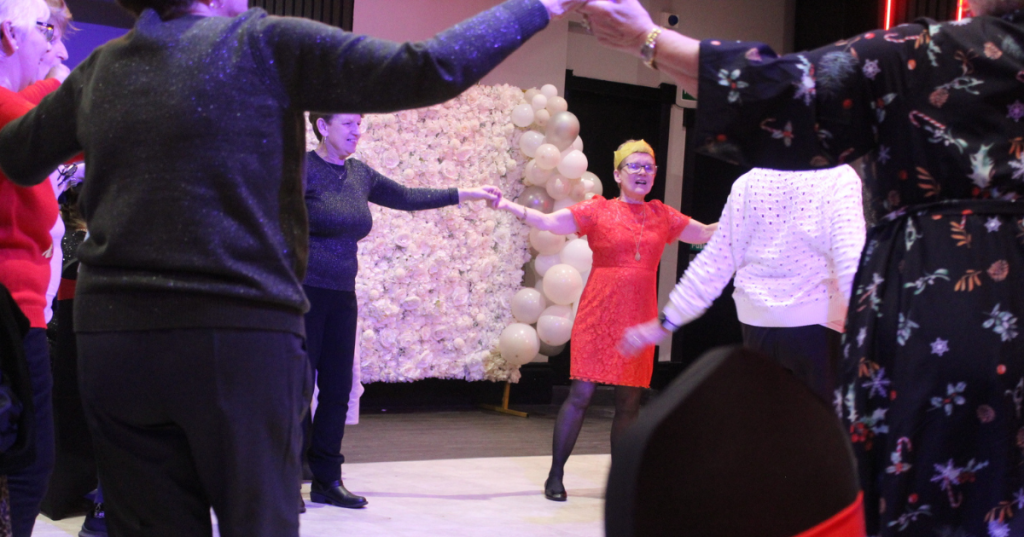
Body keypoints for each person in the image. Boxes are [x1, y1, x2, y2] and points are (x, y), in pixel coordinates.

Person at [0, 0, 584, 534]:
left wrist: (70, 94)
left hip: (115, 344)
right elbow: (426, 66)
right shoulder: (264, 43)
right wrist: (542, 5)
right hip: (236, 338)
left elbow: (20, 157)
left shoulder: (103, 68)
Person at [586, 0, 1024, 534]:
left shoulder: (918, 56)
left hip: (917, 305)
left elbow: (721, 255)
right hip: (825, 328)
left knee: (849, 469)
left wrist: (647, 40)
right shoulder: (836, 180)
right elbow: (848, 259)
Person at [493, 140, 716, 501]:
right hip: (598, 312)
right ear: (617, 174)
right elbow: (549, 221)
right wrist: (507, 205)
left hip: (638, 317)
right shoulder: (598, 210)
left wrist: (752, 214)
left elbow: (705, 233)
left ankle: (621, 481)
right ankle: (555, 474)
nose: (643, 173)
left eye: (649, 167)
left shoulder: (663, 215)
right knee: (581, 394)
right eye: (635, 166)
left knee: (629, 402)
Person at [301, 112, 499, 509]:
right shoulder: (302, 170)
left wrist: (467, 193)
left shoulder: (359, 174)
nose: (358, 131)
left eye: (360, 124)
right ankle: (285, 479)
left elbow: (407, 197)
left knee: (338, 392)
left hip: (342, 297)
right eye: (348, 125)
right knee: (294, 391)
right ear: (323, 127)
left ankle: (326, 479)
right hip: (302, 295)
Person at [621, 166, 866, 402]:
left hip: (757, 328)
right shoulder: (838, 176)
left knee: (766, 432)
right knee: (822, 435)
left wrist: (667, 321)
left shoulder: (749, 182)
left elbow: (715, 261)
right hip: (818, 324)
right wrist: (868, 329)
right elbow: (851, 257)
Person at [0, 0, 70, 533]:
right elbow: (49, 126)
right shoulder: (12, 111)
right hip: (11, 317)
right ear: (7, 34)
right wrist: (66, 83)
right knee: (26, 464)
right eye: (47, 30)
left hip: (21, 314)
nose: (56, 47)